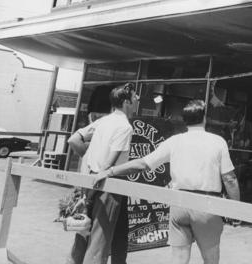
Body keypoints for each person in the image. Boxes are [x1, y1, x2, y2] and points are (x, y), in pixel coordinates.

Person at [93, 99, 241, 264]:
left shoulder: (175, 141)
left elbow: (142, 164)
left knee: (179, 259)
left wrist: (110, 171)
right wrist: (235, 211)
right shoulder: (217, 141)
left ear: (185, 120)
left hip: (179, 205)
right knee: (210, 259)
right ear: (204, 118)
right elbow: (230, 179)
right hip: (206, 206)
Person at [66, 83, 136, 264]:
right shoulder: (125, 127)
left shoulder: (103, 121)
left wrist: (88, 156)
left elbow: (73, 139)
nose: (137, 101)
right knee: (99, 241)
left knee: (83, 234)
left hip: (89, 181)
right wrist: (99, 176)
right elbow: (107, 164)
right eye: (135, 98)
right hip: (108, 187)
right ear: (127, 101)